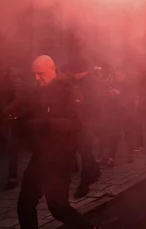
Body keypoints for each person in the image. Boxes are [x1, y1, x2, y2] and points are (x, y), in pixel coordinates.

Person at [15, 55, 98, 229]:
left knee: (58, 207)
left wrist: (48, 123)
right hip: (40, 156)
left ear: (53, 70)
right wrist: (18, 122)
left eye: (41, 73)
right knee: (24, 204)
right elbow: (28, 115)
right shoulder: (37, 92)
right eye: (34, 75)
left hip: (60, 157)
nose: (37, 78)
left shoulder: (68, 89)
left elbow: (77, 122)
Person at [70, 57, 102, 199]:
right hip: (84, 121)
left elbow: (93, 102)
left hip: (87, 122)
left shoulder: (88, 83)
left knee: (85, 151)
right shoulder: (82, 81)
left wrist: (79, 103)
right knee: (85, 151)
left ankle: (84, 185)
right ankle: (95, 172)